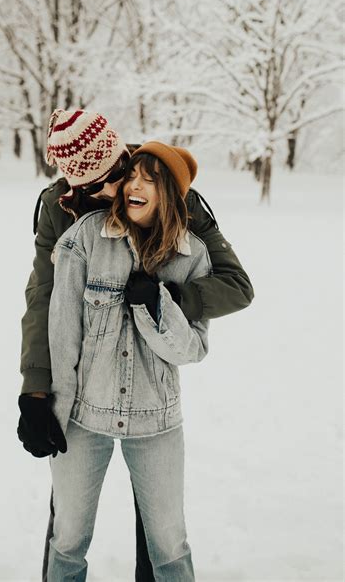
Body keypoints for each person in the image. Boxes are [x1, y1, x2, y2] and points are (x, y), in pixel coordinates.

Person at [18, 108, 254, 582]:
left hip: (148, 393)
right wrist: (36, 392)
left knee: (159, 531)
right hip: (85, 393)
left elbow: (235, 284)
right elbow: (46, 299)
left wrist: (166, 299)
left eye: (113, 177)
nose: (109, 193)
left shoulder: (165, 188)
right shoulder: (57, 207)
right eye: (90, 188)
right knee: (67, 523)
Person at [47, 140, 211, 580]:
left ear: (171, 194)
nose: (134, 185)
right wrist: (53, 414)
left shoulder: (191, 255)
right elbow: (63, 336)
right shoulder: (85, 238)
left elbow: (192, 349)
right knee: (67, 540)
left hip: (157, 422)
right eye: (132, 175)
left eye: (150, 180)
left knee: (170, 545)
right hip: (84, 418)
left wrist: (158, 308)